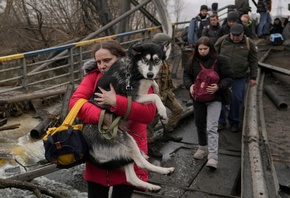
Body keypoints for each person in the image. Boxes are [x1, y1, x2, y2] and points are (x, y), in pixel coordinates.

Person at [69, 40, 157, 198]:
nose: (102, 65)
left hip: (128, 150)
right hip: (99, 150)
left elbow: (148, 114)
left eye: (107, 60)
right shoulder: (93, 77)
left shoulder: (137, 77)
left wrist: (117, 102)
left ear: (121, 58)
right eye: (98, 62)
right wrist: (103, 116)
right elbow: (75, 103)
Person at [183, 36, 234, 169]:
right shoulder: (192, 61)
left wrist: (219, 87)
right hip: (198, 98)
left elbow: (229, 77)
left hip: (214, 98)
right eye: (200, 49)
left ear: (210, 48)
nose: (202, 51)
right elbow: (186, 75)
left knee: (211, 126)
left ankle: (212, 156)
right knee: (199, 124)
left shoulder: (220, 60)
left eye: (205, 49)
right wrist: (189, 86)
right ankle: (202, 147)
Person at [215, 24, 258, 133]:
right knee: (220, 98)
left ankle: (234, 121)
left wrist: (253, 77)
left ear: (243, 33)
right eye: (233, 35)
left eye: (237, 36)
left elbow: (253, 61)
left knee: (237, 99)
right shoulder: (222, 41)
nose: (235, 38)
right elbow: (213, 56)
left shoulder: (249, 43)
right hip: (222, 76)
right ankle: (221, 121)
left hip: (239, 76)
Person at [147, 33, 184, 158]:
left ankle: (167, 132)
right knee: (153, 120)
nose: (169, 47)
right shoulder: (153, 60)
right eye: (168, 45)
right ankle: (149, 144)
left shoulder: (163, 57)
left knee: (178, 109)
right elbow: (152, 82)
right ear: (165, 45)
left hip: (165, 92)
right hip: (156, 96)